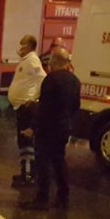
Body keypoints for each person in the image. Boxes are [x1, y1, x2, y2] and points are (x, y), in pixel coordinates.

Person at [21, 48, 81, 210]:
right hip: (63, 128)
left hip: (48, 130)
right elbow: (76, 106)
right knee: (59, 161)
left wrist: (33, 127)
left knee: (43, 163)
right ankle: (63, 197)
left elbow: (45, 109)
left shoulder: (51, 80)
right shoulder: (75, 81)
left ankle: (42, 199)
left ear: (53, 63)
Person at [7, 34, 46, 187]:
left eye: (23, 44)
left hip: (27, 108)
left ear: (29, 46)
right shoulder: (26, 61)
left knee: (26, 140)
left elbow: (42, 78)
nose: (20, 47)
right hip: (21, 107)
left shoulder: (32, 60)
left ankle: (28, 174)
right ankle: (25, 171)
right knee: (22, 140)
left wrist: (34, 97)